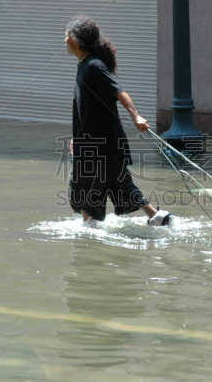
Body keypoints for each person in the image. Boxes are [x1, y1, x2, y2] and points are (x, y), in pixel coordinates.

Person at [65, 15, 172, 226]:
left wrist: (136, 116)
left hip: (99, 147)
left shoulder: (94, 66)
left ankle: (90, 235)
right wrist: (75, 138)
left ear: (76, 41)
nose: (64, 39)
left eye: (67, 35)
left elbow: (119, 92)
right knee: (120, 183)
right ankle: (158, 218)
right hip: (98, 144)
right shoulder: (84, 66)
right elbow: (82, 109)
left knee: (82, 187)